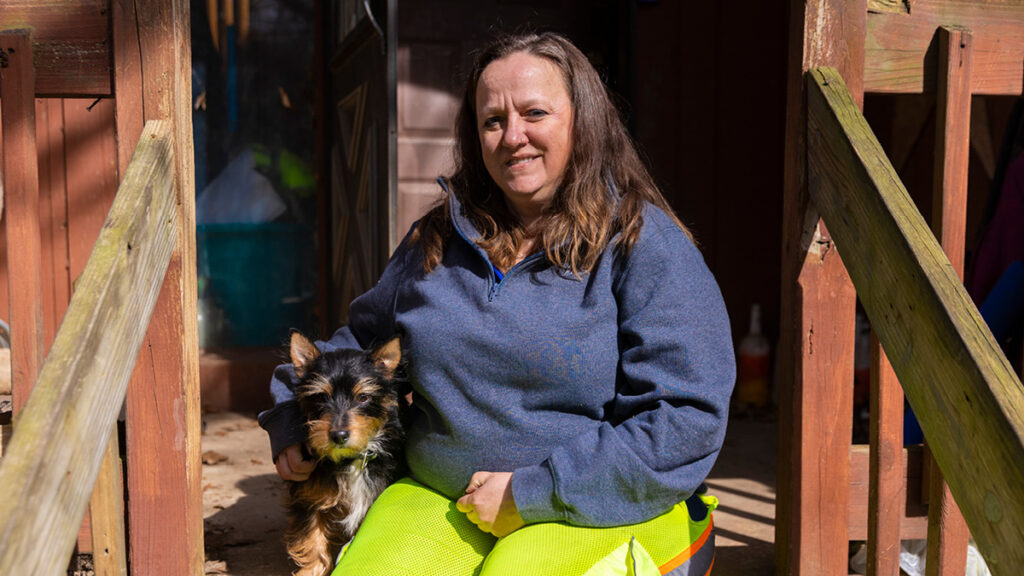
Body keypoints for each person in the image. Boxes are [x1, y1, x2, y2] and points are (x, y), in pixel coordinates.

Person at [259, 31, 735, 575]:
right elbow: (352, 349)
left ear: (584, 120)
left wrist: (534, 493)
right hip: (441, 496)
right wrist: (292, 421)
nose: (513, 137)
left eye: (534, 113)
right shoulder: (436, 239)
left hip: (599, 505)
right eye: (492, 121)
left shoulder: (643, 243)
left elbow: (686, 417)